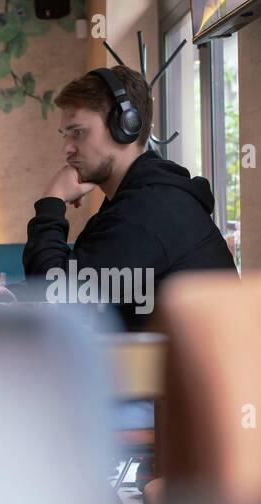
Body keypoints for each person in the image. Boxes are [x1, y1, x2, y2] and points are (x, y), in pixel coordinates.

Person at [22, 65, 237, 328]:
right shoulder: (137, 202)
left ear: (125, 126)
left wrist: (52, 200)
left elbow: (53, 293)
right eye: (65, 135)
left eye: (78, 132)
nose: (66, 149)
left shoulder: (150, 211)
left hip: (189, 369)